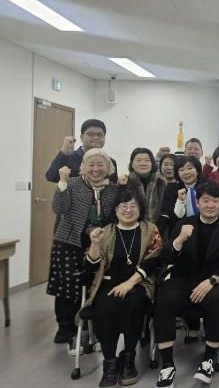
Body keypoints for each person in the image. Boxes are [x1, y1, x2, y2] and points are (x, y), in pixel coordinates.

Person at [154, 181, 219, 388]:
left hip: (216, 282)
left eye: (215, 201)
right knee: (164, 299)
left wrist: (212, 280)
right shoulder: (183, 224)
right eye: (206, 201)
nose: (210, 205)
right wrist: (179, 240)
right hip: (184, 280)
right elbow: (166, 258)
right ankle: (167, 365)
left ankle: (208, 360)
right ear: (197, 202)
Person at [82, 191, 162, 387]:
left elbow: (153, 260)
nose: (128, 210)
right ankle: (109, 362)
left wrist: (129, 283)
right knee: (105, 308)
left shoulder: (150, 230)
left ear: (140, 209)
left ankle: (128, 357)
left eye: (133, 206)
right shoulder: (105, 231)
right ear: (116, 210)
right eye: (124, 206)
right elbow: (91, 266)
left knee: (134, 304)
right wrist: (95, 244)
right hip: (107, 284)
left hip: (139, 283)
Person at [48, 148, 120, 345]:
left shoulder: (114, 189)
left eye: (101, 164)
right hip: (69, 241)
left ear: (109, 168)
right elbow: (59, 208)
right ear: (83, 167)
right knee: (67, 287)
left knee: (96, 284)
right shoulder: (71, 183)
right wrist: (62, 182)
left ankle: (93, 328)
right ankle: (66, 328)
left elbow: (114, 216)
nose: (96, 169)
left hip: (100, 242)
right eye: (91, 164)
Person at [45, 118, 118, 183]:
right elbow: (51, 177)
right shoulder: (69, 158)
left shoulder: (110, 162)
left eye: (100, 134)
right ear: (81, 137)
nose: (96, 137)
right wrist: (64, 150)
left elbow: (113, 188)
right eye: (91, 134)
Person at [159, 155, 203, 240]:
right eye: (181, 170)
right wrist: (180, 201)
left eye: (190, 168)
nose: (186, 172)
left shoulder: (207, 187)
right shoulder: (171, 190)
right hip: (180, 233)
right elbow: (175, 217)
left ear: (197, 171)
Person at [118, 147, 167, 223]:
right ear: (132, 164)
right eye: (138, 160)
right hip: (131, 226)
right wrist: (122, 187)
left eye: (147, 160)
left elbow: (165, 210)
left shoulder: (161, 183)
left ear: (152, 163)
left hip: (157, 226)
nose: (143, 163)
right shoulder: (124, 182)